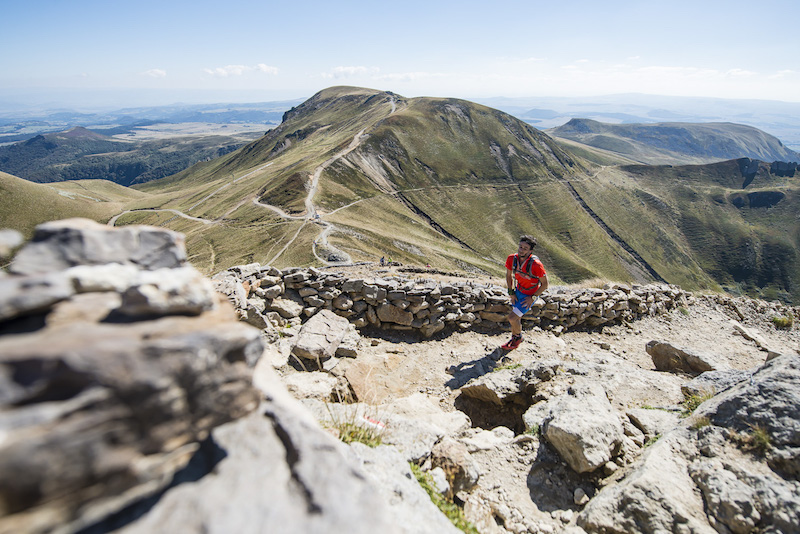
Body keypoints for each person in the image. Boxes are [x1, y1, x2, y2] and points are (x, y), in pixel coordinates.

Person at [503, 235, 548, 350]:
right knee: (516, 319)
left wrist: (533, 297)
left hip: (529, 296)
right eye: (520, 247)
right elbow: (509, 276)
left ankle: (517, 338)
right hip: (518, 292)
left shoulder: (536, 265)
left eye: (525, 248)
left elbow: (545, 284)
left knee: (512, 318)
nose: (521, 250)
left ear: (530, 251)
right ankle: (515, 338)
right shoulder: (512, 259)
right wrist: (511, 292)